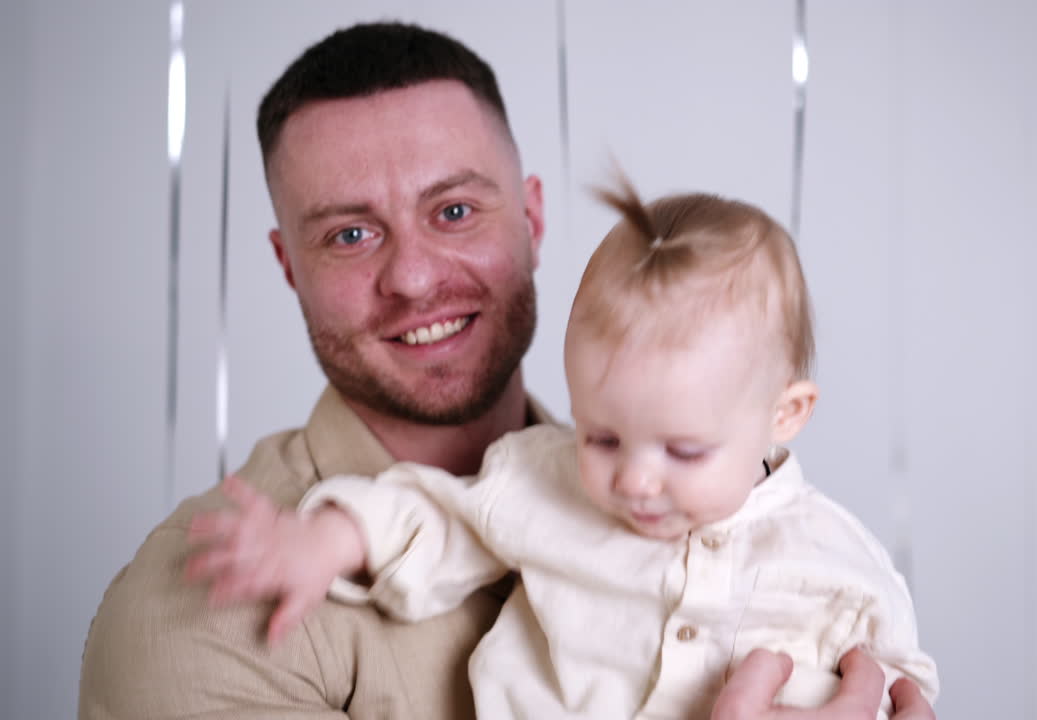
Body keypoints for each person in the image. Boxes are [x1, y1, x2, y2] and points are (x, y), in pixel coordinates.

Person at [78, 21, 937, 720]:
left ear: (531, 219)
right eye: (350, 234)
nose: (414, 277)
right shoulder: (204, 615)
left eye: (455, 210)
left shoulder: (782, 531)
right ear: (288, 266)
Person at [185, 181, 940, 720]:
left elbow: (902, 684)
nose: (635, 479)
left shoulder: (836, 558)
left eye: (684, 451)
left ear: (785, 413)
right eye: (602, 436)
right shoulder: (542, 482)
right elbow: (438, 515)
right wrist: (328, 540)